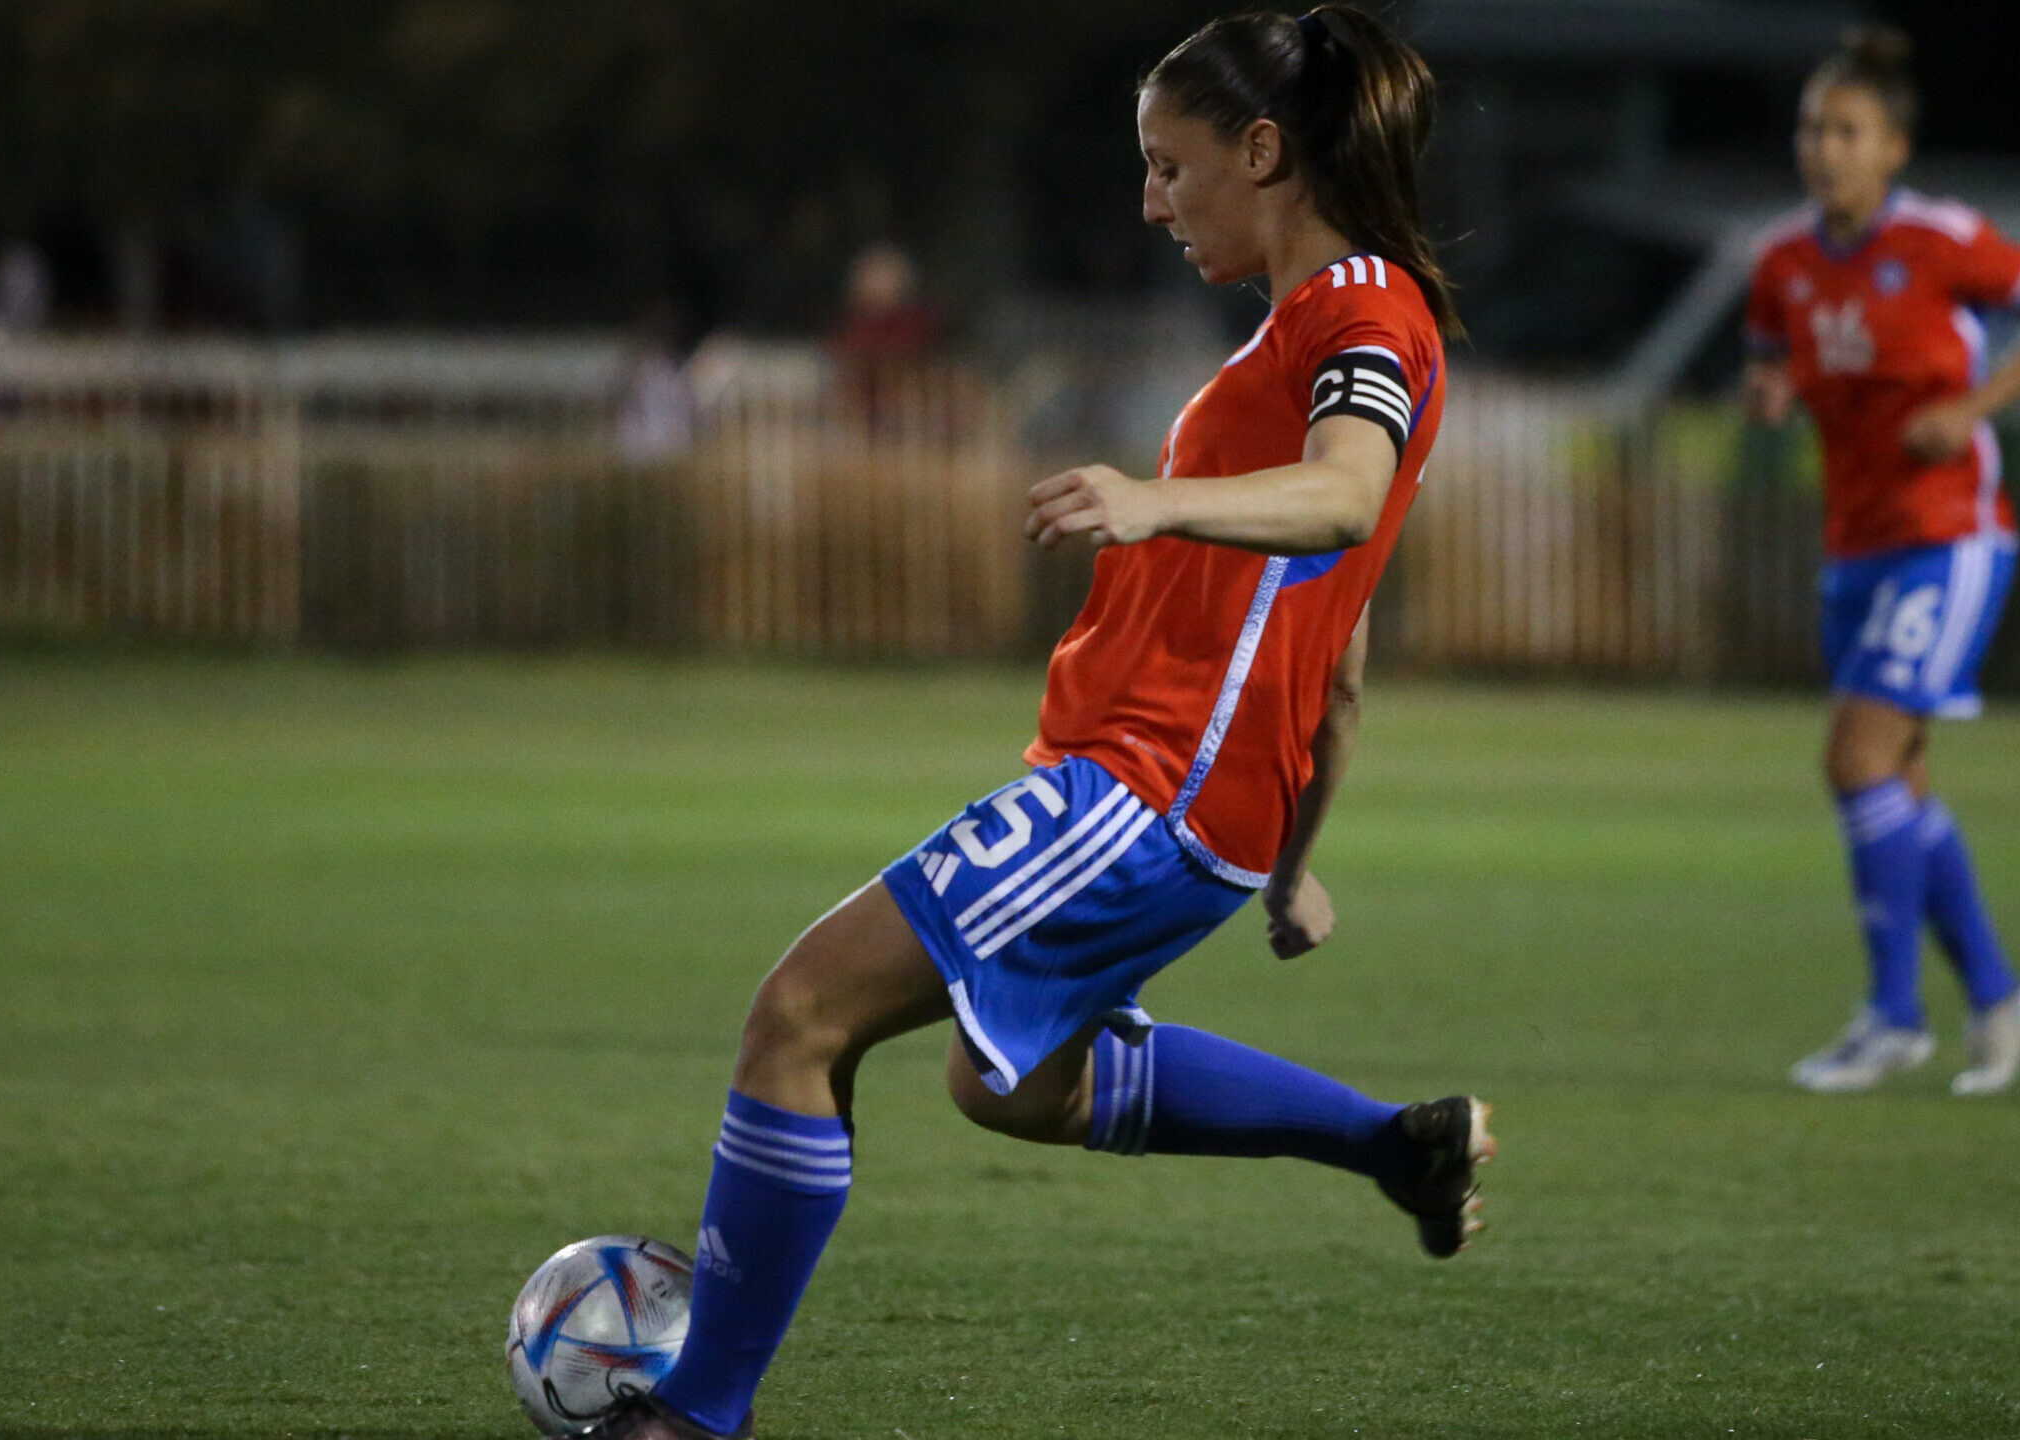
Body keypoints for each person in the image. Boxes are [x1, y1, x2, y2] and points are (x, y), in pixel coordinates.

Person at [595, 9, 1482, 1437]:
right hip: (1192, 805)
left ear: (1264, 151)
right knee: (1009, 1090)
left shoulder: (1361, 313)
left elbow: (1347, 498)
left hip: (1146, 789)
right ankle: (1395, 1146)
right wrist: (1297, 853)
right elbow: (1343, 648)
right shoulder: (1302, 330)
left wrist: (1152, 497)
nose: (1151, 201)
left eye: (1169, 166)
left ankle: (692, 1415)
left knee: (799, 1018)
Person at [1742, 28, 2020, 1097]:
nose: (1822, 147)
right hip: (1854, 545)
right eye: (1810, 128)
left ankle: (1893, 1018)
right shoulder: (1783, 263)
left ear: (1892, 148)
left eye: (1846, 130)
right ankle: (1995, 995)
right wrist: (1772, 392)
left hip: (1951, 534)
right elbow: (1768, 353)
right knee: (1897, 781)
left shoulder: (1940, 241)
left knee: (1854, 760)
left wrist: (1971, 409)